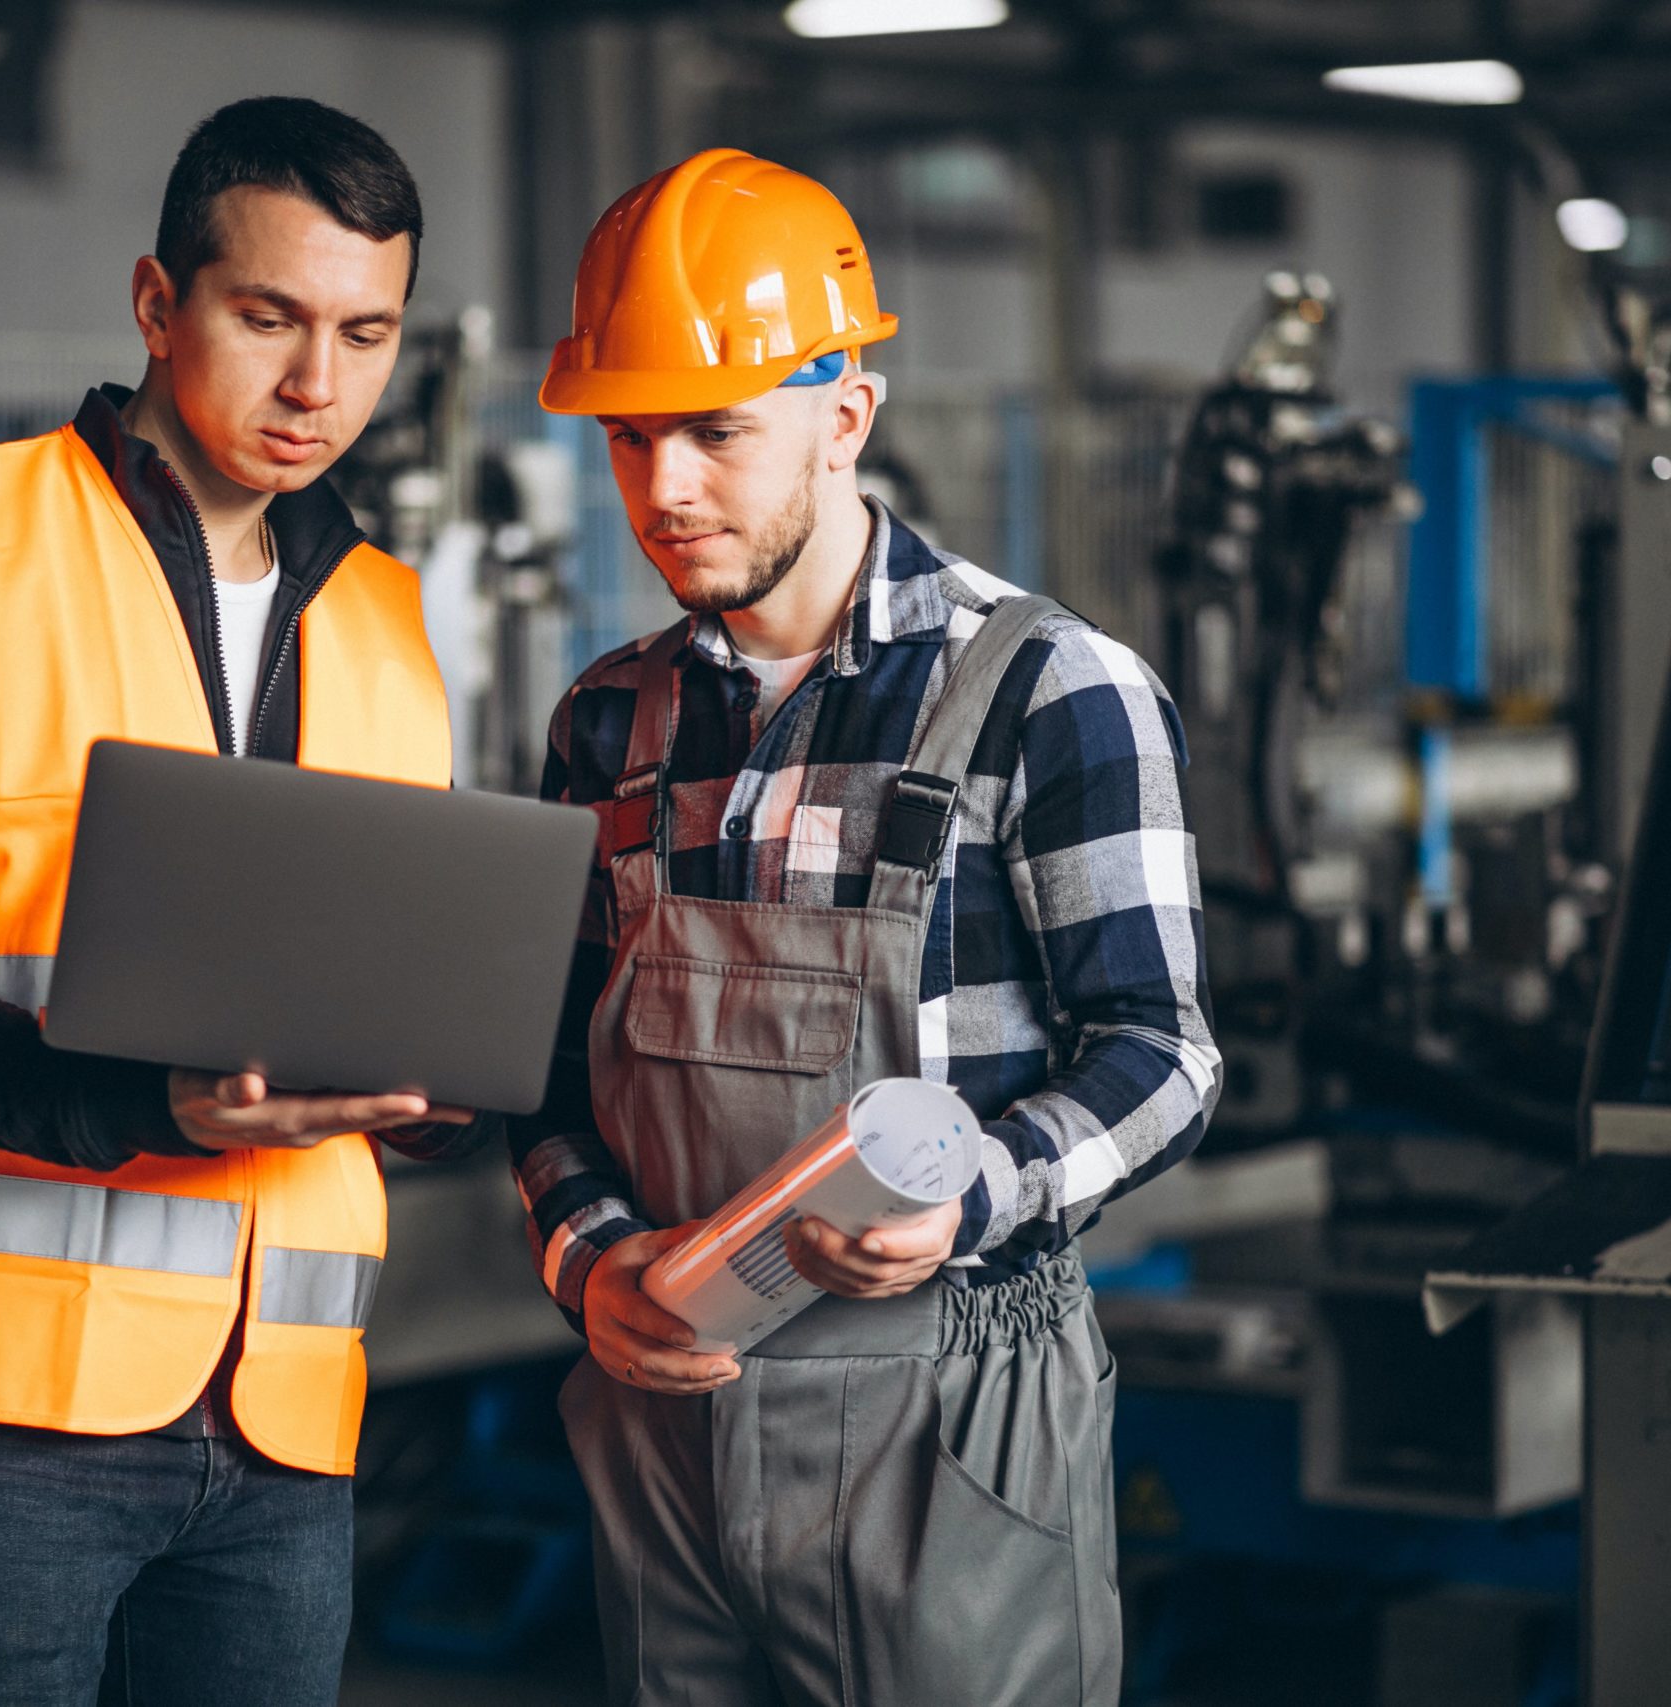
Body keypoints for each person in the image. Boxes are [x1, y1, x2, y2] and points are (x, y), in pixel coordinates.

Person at [0, 97, 469, 1707]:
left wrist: (443, 1095)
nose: (318, 386)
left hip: (286, 1420)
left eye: (366, 334)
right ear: (159, 305)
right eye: (268, 317)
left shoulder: (383, 619)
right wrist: (146, 1102)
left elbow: (393, 976)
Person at [512, 149, 1221, 1706]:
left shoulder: (1046, 690)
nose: (665, 490)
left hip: (950, 1426)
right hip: (665, 1430)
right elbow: (550, 1082)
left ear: (847, 419)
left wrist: (982, 1185)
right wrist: (595, 1265)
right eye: (630, 438)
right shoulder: (609, 721)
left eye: (716, 433)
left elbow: (1162, 1057)